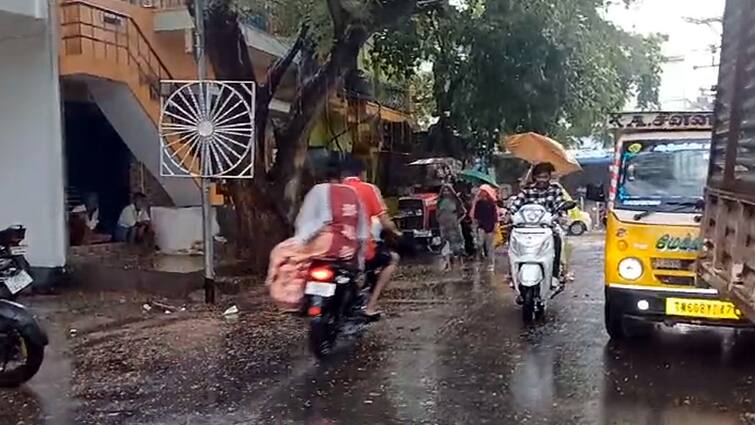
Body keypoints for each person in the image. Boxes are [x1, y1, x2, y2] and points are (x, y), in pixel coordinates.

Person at [266, 161, 369, 311]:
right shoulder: (352, 193)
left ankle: (287, 298)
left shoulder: (319, 190)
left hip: (326, 245)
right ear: (340, 178)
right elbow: (363, 231)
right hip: (348, 249)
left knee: (280, 252)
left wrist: (300, 240)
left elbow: (315, 221)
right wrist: (359, 261)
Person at [343, 159, 400, 320]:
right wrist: (396, 233)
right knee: (392, 259)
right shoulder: (368, 189)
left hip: (329, 249)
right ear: (362, 174)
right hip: (360, 250)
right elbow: (385, 222)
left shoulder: (332, 190)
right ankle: (370, 307)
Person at [509, 162, 568, 286]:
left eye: (545, 177)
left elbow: (560, 205)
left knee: (557, 240)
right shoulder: (526, 191)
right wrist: (509, 214)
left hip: (547, 228)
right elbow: (516, 204)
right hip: (526, 228)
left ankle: (554, 274)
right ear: (534, 177)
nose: (542, 180)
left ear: (549, 177)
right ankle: (512, 274)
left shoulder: (555, 190)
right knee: (512, 240)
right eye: (539, 177)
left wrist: (561, 215)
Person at [437, 184, 466, 270]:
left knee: (457, 245)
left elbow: (464, 212)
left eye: (448, 190)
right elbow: (437, 213)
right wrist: (439, 220)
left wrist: (458, 220)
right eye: (444, 190)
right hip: (444, 226)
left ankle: (461, 263)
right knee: (446, 245)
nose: (446, 192)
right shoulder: (440, 201)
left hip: (454, 225)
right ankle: (449, 265)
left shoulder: (456, 200)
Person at [470, 184, 499, 271]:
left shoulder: (491, 203)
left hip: (490, 227)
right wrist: (475, 226)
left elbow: (495, 216)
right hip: (481, 227)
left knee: (490, 246)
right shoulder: (478, 203)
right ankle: (480, 260)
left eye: (483, 191)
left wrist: (495, 226)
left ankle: (491, 263)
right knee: (479, 244)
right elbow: (476, 216)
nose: (482, 193)